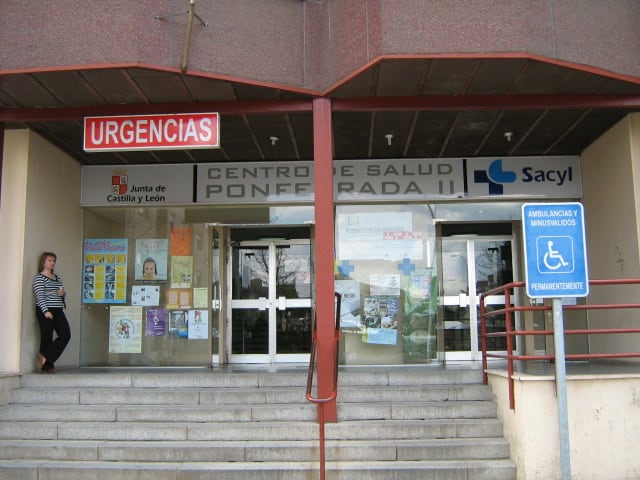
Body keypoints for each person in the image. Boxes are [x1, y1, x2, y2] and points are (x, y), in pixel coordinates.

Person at [33, 252, 71, 373]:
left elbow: (61, 292)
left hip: (58, 310)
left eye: (54, 260)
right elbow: (39, 296)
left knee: (65, 335)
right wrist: (45, 311)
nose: (52, 263)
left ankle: (44, 355)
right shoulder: (39, 278)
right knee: (47, 337)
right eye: (49, 260)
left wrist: (63, 294)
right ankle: (48, 365)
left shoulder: (57, 277)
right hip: (46, 310)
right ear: (43, 262)